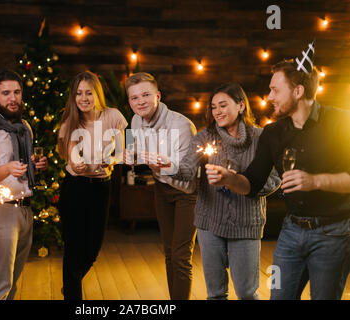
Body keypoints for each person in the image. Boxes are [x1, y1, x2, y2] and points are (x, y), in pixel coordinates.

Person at [205, 42, 350, 300]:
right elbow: (252, 183)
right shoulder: (273, 133)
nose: (269, 96)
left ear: (298, 90)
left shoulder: (341, 121)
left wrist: (315, 181)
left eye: (274, 90)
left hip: (334, 233)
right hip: (291, 232)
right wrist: (229, 178)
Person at [148, 83, 280, 299]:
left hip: (246, 224)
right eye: (213, 107)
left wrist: (240, 182)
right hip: (209, 223)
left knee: (247, 292)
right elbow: (188, 170)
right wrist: (168, 165)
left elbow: (274, 179)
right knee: (215, 293)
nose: (217, 112)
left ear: (240, 106)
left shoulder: (261, 138)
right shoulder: (204, 137)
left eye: (223, 105)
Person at [0, 70, 48, 300]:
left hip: (25, 209)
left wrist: (36, 165)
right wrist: (7, 168)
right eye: (5, 93)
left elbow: (23, 165)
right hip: (0, 210)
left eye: (16, 92)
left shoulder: (24, 126)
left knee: (13, 280)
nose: (12, 98)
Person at [124, 72, 197, 300]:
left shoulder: (181, 125)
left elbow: (190, 172)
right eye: (134, 98)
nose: (140, 102)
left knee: (180, 256)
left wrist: (167, 165)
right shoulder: (135, 120)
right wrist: (129, 153)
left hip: (188, 193)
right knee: (168, 252)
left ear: (158, 96)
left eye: (146, 95)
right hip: (161, 189)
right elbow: (131, 144)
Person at [57, 71, 127, 300]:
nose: (83, 98)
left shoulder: (114, 116)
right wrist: (76, 164)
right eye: (78, 93)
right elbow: (72, 154)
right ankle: (72, 294)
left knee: (92, 249)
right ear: (73, 96)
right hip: (75, 187)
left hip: (100, 187)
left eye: (88, 92)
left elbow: (122, 151)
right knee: (74, 247)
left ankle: (70, 283)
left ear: (98, 93)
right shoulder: (70, 121)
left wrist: (113, 159)